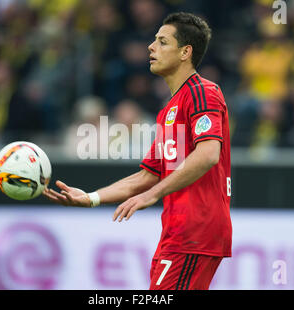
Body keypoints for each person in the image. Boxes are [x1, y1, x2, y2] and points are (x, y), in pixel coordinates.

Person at [43, 12, 232, 290]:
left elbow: (208, 154)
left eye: (162, 41)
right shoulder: (169, 110)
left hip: (196, 231)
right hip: (176, 232)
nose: (151, 47)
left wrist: (151, 195)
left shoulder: (203, 93)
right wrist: (91, 198)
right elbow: (148, 176)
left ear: (185, 52)